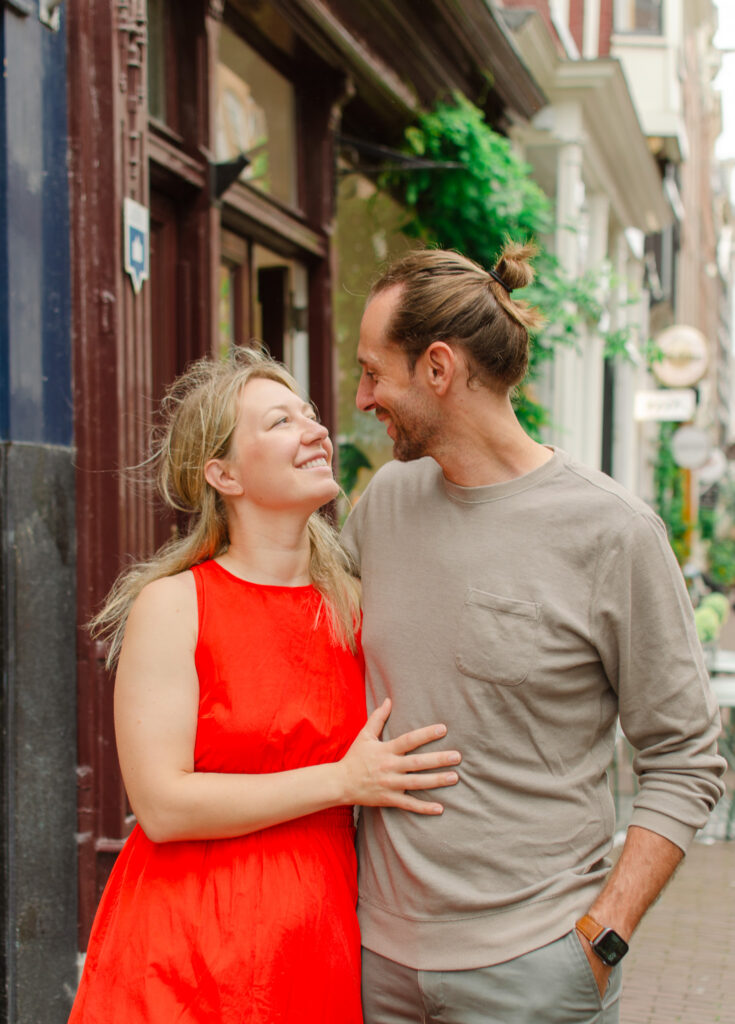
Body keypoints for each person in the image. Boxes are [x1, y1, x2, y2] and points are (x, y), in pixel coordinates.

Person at [342, 243, 727, 1024]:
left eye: (373, 372)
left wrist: (602, 935)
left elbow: (685, 758)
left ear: (439, 369)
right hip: (368, 961)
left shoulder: (612, 532)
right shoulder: (383, 502)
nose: (359, 398)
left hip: (533, 973)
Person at [68, 348, 461, 1024]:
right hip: (183, 948)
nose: (315, 431)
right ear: (221, 473)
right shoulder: (175, 605)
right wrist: (342, 781)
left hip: (315, 942)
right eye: (281, 421)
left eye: (310, 415)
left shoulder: (359, 611)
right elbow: (161, 804)